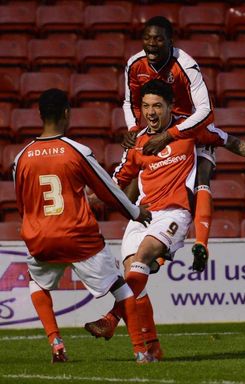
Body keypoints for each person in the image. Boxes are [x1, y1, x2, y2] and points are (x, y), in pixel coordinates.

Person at [84, 79, 245, 360]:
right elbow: (116, 181)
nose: (151, 112)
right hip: (142, 214)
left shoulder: (189, 131)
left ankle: (111, 320)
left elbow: (229, 141)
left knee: (142, 260)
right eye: (145, 107)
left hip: (174, 213)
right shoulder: (137, 142)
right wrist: (86, 195)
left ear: (170, 106)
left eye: (157, 105)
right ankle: (153, 349)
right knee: (136, 278)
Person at [12, 88, 155, 364]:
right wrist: (136, 213)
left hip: (40, 237)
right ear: (67, 113)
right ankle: (140, 352)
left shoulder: (21, 158)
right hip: (78, 237)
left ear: (39, 114)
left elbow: (23, 205)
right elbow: (107, 191)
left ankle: (56, 344)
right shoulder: (76, 152)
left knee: (37, 283)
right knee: (121, 288)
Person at [122, 16, 215, 271]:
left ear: (170, 41)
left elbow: (206, 111)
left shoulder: (185, 65)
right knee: (137, 174)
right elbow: (129, 102)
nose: (152, 44)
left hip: (188, 127)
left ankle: (201, 243)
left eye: (158, 39)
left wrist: (171, 134)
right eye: (147, 38)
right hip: (156, 129)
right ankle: (156, 242)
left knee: (200, 179)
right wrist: (132, 128)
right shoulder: (134, 64)